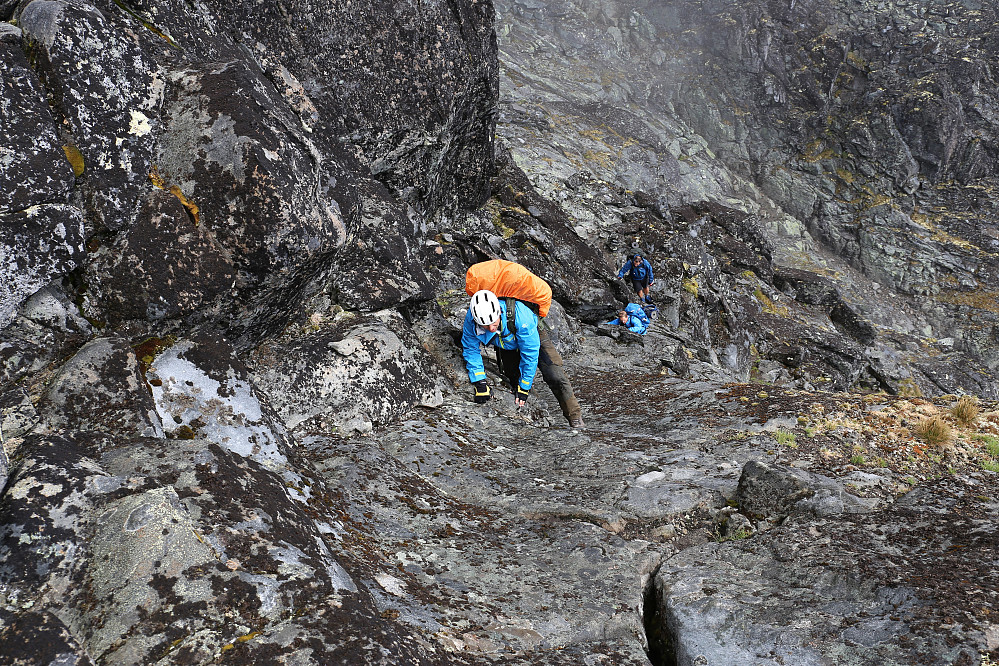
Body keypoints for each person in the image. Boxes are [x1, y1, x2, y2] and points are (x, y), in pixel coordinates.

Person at [462, 288, 585, 429]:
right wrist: (480, 382)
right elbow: (470, 349)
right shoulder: (472, 320)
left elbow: (530, 355)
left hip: (531, 335)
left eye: (493, 322)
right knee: (514, 380)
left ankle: (575, 417)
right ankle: (537, 410)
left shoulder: (522, 317)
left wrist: (525, 385)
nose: (490, 328)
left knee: (554, 375)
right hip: (505, 344)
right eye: (485, 325)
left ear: (499, 312)